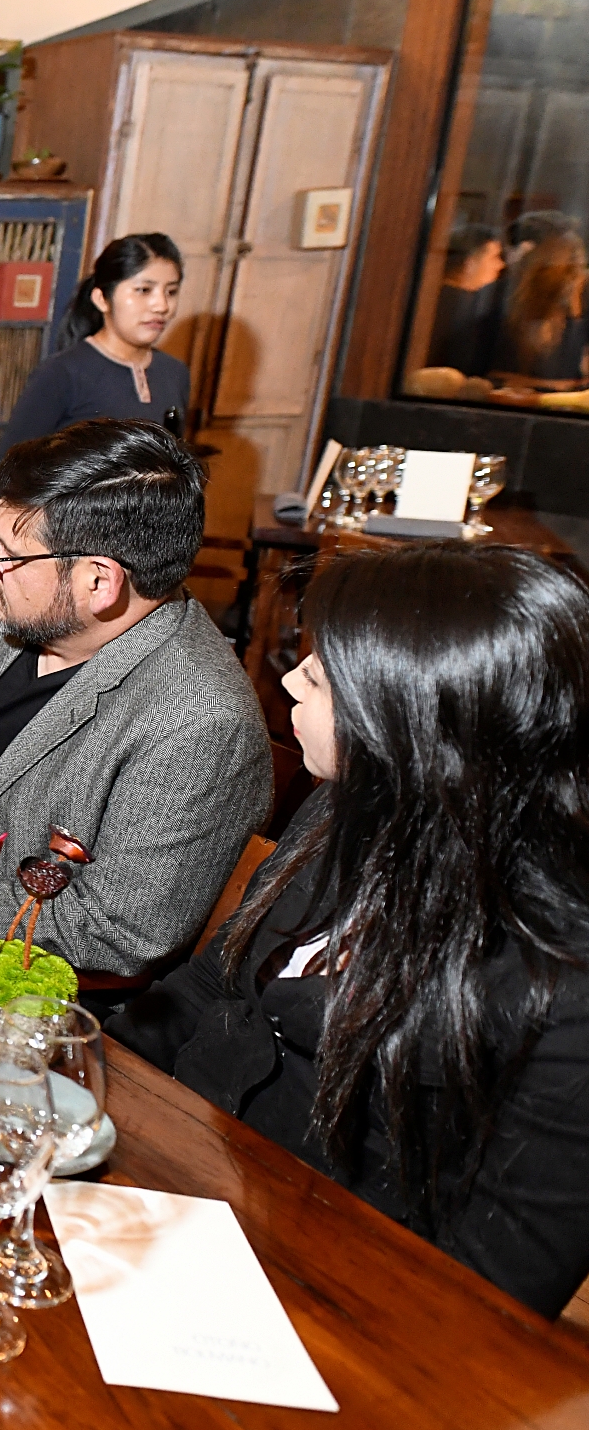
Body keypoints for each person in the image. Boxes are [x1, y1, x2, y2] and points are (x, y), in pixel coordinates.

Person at [110, 544, 589, 1318]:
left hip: (317, 1307)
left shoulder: (563, 985)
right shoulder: (347, 806)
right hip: (161, 1195)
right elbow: (208, 987)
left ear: (417, 721)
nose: (289, 680)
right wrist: (77, 1084)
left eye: (324, 677)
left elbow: (489, 1302)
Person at [0, 418, 269, 981]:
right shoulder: (13, 586)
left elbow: (115, 930)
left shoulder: (200, 720)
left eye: (5, 552)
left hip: (2, 979)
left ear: (99, 582)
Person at [0, 233, 187, 489]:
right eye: (143, 290)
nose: (161, 305)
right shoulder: (62, 373)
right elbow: (1, 476)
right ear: (102, 298)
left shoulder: (174, 373)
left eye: (171, 291)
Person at [495, 227, 588, 385]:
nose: (581, 277)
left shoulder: (576, 321)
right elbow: (492, 376)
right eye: (575, 270)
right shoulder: (505, 314)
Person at [424, 223, 506, 377]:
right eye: (494, 257)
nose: (500, 265)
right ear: (470, 263)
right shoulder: (463, 307)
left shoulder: (432, 297)